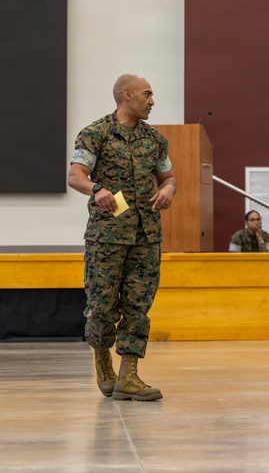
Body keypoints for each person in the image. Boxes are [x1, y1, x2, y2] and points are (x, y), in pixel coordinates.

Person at [67, 74, 176, 401]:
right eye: (147, 94)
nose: (152, 101)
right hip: (107, 236)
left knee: (138, 305)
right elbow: (76, 175)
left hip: (146, 235)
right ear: (127, 95)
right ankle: (103, 361)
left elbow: (168, 177)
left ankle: (129, 375)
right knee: (102, 307)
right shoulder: (95, 134)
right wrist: (96, 189)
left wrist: (168, 189)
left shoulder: (155, 139)